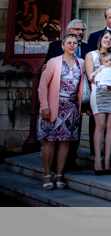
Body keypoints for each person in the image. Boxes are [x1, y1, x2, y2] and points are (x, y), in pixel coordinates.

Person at [37, 34, 86, 190]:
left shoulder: (81, 63)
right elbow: (43, 85)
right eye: (69, 43)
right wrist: (44, 106)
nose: (72, 45)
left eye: (75, 43)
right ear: (63, 46)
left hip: (71, 109)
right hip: (53, 107)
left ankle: (59, 174)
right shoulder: (53, 62)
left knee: (65, 142)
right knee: (50, 141)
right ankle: (47, 174)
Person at [85, 30, 111, 174]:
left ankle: (107, 160)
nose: (108, 41)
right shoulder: (91, 55)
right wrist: (105, 83)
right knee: (100, 126)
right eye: (106, 38)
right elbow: (90, 76)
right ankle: (97, 160)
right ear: (101, 39)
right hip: (99, 93)